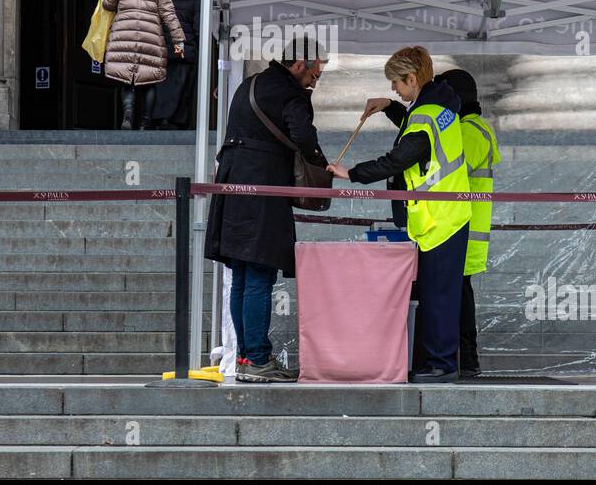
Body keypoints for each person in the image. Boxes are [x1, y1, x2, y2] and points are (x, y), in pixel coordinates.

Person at [328, 46, 471, 383]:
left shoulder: (424, 118)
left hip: (439, 218)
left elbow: (400, 157)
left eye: (396, 84)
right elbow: (415, 128)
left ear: (412, 78)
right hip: (446, 214)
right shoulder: (439, 105)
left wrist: (352, 173)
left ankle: (442, 365)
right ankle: (435, 360)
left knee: (438, 296)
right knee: (439, 293)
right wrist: (390, 107)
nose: (394, 89)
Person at [204, 43, 327, 383]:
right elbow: (303, 136)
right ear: (300, 64)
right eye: (317, 68)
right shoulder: (292, 94)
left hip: (232, 184)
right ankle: (256, 358)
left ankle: (245, 356)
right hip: (262, 188)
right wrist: (321, 166)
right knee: (258, 273)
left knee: (242, 276)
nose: (318, 75)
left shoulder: (251, 83)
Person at [437, 68, 499, 379]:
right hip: (459, 229)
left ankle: (467, 360)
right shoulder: (470, 128)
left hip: (461, 231)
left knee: (458, 299)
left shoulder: (470, 131)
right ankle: (465, 359)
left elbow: (443, 161)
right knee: (459, 296)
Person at [102, 0, 185, 130]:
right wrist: (178, 40)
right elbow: (168, 12)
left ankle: (128, 114)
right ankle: (145, 124)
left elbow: (109, 4)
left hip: (123, 34)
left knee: (127, 79)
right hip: (151, 38)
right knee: (150, 82)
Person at [148, 0, 199, 130]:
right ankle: (175, 120)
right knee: (181, 84)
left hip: (163, 46)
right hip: (183, 47)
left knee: (162, 84)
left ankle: (160, 117)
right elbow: (197, 28)